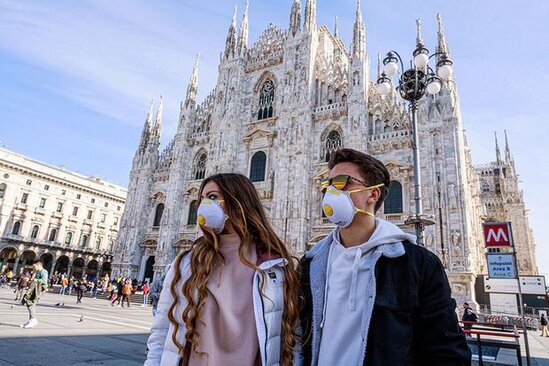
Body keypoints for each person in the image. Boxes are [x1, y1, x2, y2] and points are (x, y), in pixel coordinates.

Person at [299, 149, 471, 365]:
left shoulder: (418, 264)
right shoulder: (311, 263)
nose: (331, 192)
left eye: (343, 183)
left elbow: (447, 351)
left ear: (373, 194)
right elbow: (297, 337)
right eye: (328, 185)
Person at [145, 173, 299, 366]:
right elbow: (161, 332)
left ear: (239, 201)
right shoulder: (187, 263)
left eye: (212, 197)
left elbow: (291, 336)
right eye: (201, 199)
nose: (203, 206)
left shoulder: (274, 266)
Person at [21, 260, 48, 329]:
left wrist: (35, 280)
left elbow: (44, 281)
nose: (33, 268)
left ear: (38, 265)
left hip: (39, 290)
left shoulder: (44, 271)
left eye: (34, 266)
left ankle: (33, 320)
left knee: (31, 303)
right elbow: (34, 280)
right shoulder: (37, 272)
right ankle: (31, 320)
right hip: (34, 289)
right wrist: (29, 280)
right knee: (28, 302)